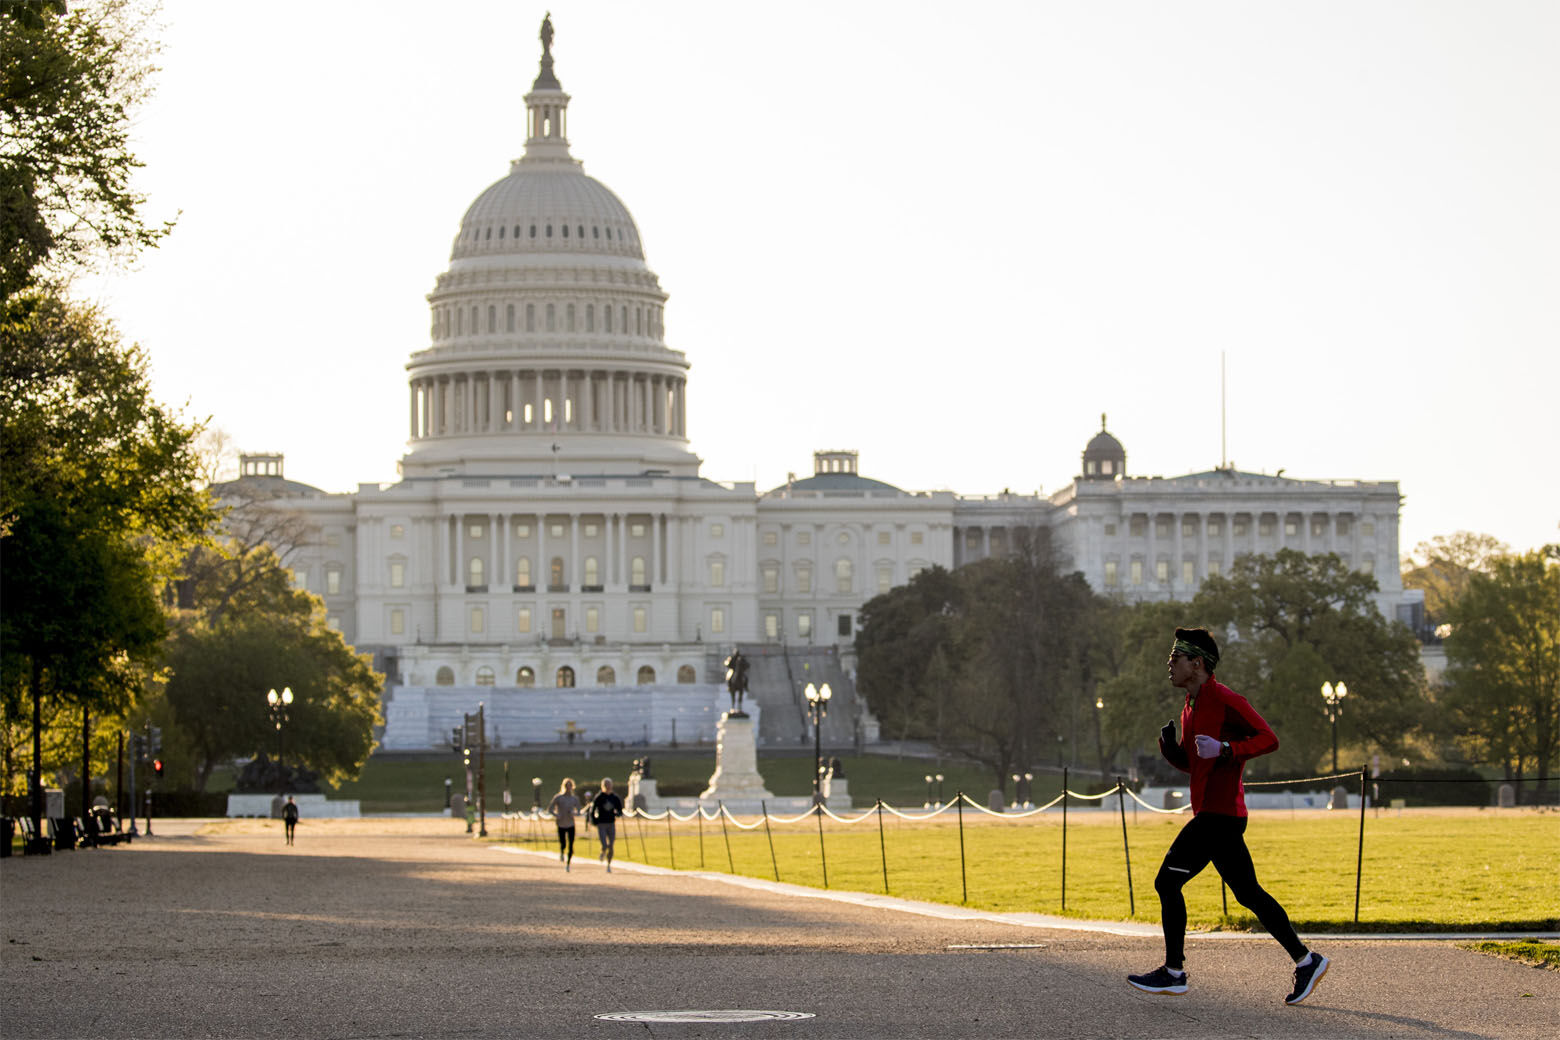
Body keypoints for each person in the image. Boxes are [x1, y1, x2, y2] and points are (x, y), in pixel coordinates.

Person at [1127, 627, 1329, 1006]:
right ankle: (1307, 960)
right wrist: (1171, 751)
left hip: (1221, 816)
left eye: (1176, 658)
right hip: (1214, 814)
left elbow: (1269, 739)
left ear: (1197, 663)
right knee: (1248, 893)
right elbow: (1195, 764)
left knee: (1166, 883)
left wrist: (1225, 748)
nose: (1169, 664)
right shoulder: (1190, 706)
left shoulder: (1225, 699)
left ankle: (1174, 972)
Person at [589, 777, 625, 873]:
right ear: (603, 786)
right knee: (604, 844)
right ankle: (603, 851)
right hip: (601, 823)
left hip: (611, 823)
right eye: (606, 785)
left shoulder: (614, 797)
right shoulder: (599, 797)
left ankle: (609, 864)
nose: (608, 787)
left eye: (609, 785)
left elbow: (619, 809)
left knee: (611, 845)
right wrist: (594, 820)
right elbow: (592, 810)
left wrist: (618, 814)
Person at [547, 778, 581, 871]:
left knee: (571, 844)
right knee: (563, 843)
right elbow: (550, 809)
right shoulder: (558, 797)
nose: (568, 788)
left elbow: (579, 812)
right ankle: (562, 851)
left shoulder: (575, 799)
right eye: (566, 786)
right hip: (561, 823)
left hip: (571, 824)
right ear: (563, 786)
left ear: (572, 787)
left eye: (570, 786)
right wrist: (556, 815)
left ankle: (568, 864)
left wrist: (573, 813)